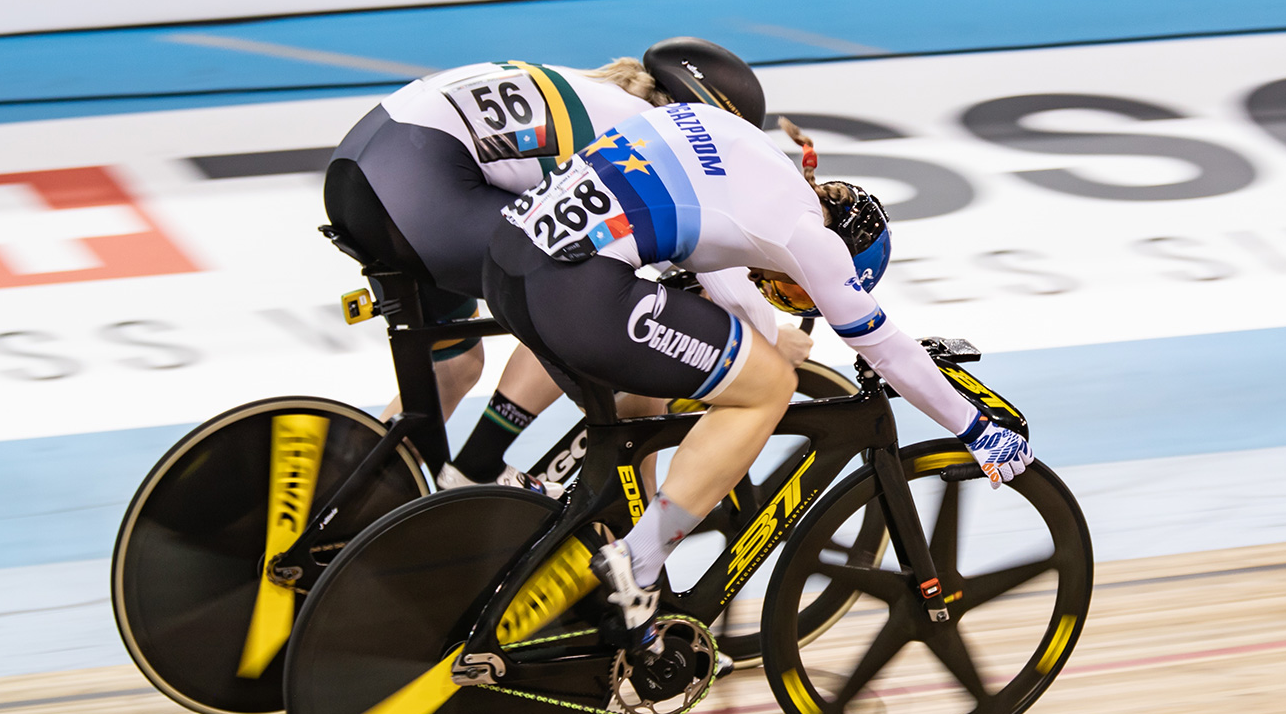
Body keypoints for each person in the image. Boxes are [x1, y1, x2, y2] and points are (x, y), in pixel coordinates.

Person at [481, 100, 1034, 650]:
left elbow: (729, 283)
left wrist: (758, 337)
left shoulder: (751, 155)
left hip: (506, 263)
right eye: (800, 290)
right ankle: (637, 564)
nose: (785, 291)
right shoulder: (810, 238)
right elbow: (887, 350)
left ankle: (566, 505)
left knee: (650, 397)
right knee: (768, 387)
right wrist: (978, 429)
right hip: (577, 289)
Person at [320, 38, 763, 489]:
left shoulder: (604, 96)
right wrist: (764, 344)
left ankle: (350, 502)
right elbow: (712, 265)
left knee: (455, 366)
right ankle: (627, 533)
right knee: (601, 327)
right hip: (418, 185)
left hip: (365, 174)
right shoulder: (643, 129)